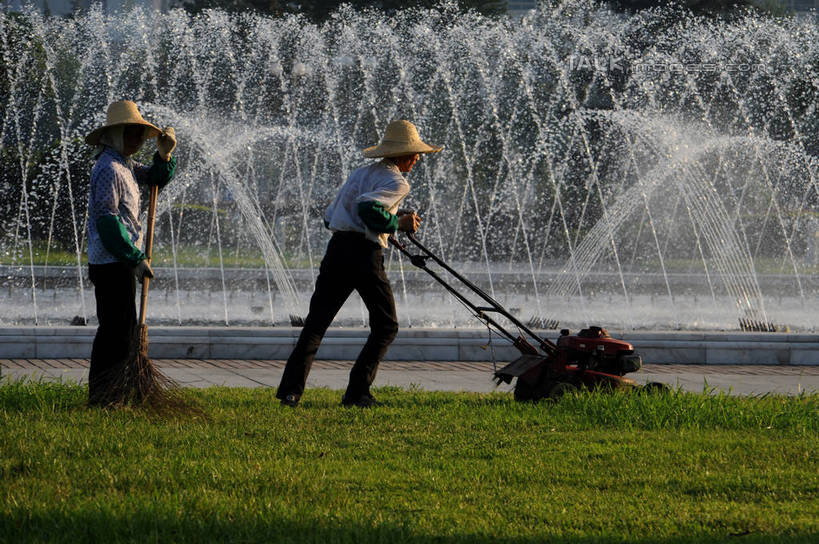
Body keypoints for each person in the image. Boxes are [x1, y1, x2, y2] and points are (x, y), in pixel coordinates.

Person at [276, 120, 442, 407]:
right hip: (364, 256)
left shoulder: (361, 173)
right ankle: (357, 392)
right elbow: (368, 208)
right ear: (402, 155)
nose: (417, 159)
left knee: (316, 323)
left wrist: (388, 221)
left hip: (337, 250)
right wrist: (398, 223)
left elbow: (330, 217)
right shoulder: (398, 182)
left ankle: (291, 392)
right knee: (386, 326)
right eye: (415, 154)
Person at [84, 100, 177, 406]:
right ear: (113, 135)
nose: (137, 140)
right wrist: (135, 258)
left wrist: (164, 155)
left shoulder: (125, 164)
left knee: (123, 328)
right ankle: (103, 395)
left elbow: (155, 179)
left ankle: (117, 392)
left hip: (120, 260)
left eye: (140, 134)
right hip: (111, 262)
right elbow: (108, 221)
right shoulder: (108, 169)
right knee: (115, 331)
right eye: (131, 133)